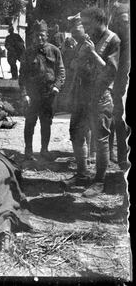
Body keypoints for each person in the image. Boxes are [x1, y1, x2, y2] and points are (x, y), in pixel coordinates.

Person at [65, 7, 120, 197]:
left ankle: (99, 182)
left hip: (100, 96)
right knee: (76, 133)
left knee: (100, 139)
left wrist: (93, 54)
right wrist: (79, 59)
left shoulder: (113, 40)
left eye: (88, 24)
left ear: (98, 20)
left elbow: (111, 72)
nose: (85, 28)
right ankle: (82, 174)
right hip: (82, 94)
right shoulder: (90, 38)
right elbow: (73, 65)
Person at [19, 20, 65, 161]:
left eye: (42, 35)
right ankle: (28, 151)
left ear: (47, 35)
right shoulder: (28, 53)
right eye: (37, 35)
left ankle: (44, 150)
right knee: (30, 123)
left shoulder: (54, 51)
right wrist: (25, 94)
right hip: (33, 95)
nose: (40, 38)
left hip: (49, 93)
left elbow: (61, 72)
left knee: (46, 123)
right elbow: (22, 76)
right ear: (33, 36)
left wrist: (57, 86)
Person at [63, 13, 94, 189]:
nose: (73, 33)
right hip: (80, 95)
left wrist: (77, 63)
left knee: (77, 132)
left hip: (87, 96)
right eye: (72, 30)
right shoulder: (81, 44)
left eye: (76, 29)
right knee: (80, 132)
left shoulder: (89, 44)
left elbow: (91, 69)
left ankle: (83, 175)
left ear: (84, 28)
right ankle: (83, 171)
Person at [109, 2, 131, 172]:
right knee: (118, 122)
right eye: (122, 21)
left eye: (127, 21)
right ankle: (122, 160)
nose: (125, 25)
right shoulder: (115, 40)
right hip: (118, 87)